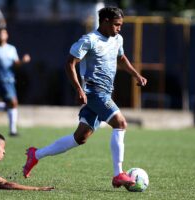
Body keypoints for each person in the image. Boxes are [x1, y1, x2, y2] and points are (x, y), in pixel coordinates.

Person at [22, 7, 147, 188]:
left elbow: (121, 58)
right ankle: (118, 174)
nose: (119, 28)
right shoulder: (89, 40)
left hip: (105, 92)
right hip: (94, 92)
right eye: (116, 24)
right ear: (104, 21)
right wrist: (79, 89)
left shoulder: (118, 39)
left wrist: (136, 74)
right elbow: (70, 63)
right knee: (120, 124)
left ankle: (36, 155)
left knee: (79, 138)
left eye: (121, 25)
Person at [0, 28, 31, 136]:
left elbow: (16, 63)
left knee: (11, 104)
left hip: (10, 80)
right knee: (13, 103)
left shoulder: (11, 49)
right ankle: (12, 130)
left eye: (3, 33)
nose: (1, 35)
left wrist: (23, 60)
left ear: (7, 35)